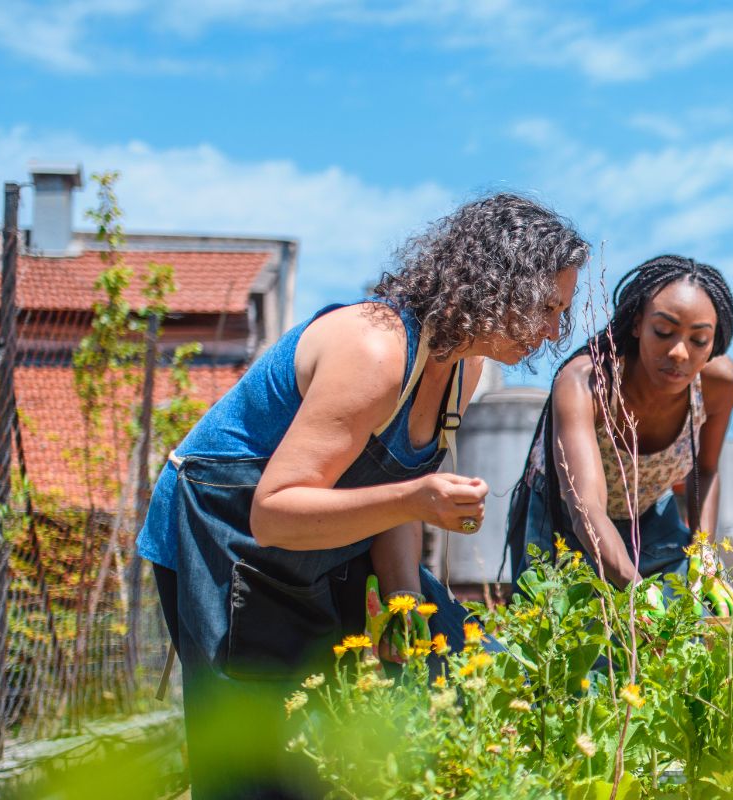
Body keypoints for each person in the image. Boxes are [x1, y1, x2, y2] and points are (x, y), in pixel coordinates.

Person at [135, 193, 588, 798]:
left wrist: (403, 603)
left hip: (317, 544)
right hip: (227, 541)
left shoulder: (462, 370)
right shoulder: (374, 351)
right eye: (545, 307)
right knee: (259, 769)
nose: (554, 331)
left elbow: (391, 486)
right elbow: (273, 513)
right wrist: (416, 501)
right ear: (495, 281)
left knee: (442, 674)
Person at [507, 255, 733, 590]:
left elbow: (705, 470)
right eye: (663, 331)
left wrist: (705, 557)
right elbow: (586, 507)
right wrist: (639, 595)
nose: (679, 352)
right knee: (560, 635)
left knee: (686, 623)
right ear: (636, 324)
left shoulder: (719, 383)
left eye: (699, 340)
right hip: (562, 516)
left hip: (647, 512)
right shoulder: (587, 382)